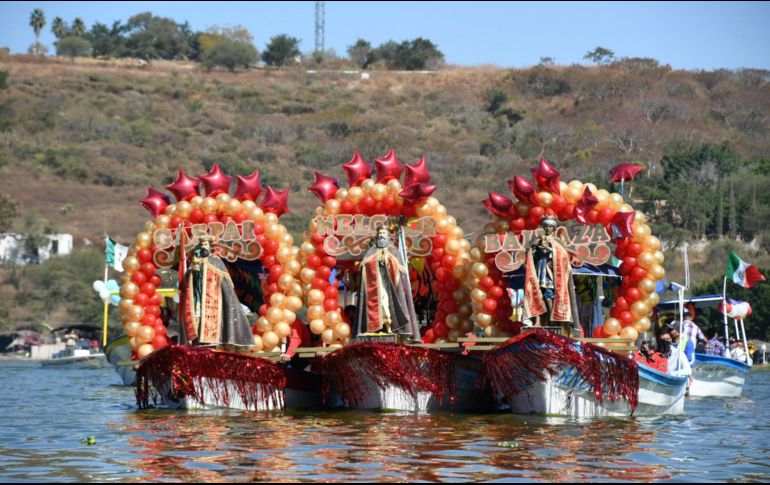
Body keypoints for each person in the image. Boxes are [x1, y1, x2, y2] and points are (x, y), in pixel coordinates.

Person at [178, 235, 253, 350]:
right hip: (198, 296)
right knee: (197, 318)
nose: (203, 246)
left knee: (211, 322)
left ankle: (210, 343)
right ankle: (197, 342)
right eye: (201, 245)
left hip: (212, 299)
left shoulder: (216, 261)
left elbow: (225, 281)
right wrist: (193, 271)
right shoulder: (195, 260)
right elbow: (187, 281)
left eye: (205, 244)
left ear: (210, 247)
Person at [355, 223, 420, 340]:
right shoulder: (371, 250)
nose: (381, 235)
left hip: (389, 284)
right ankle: (376, 327)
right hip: (374, 284)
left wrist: (386, 260)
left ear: (388, 236)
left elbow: (400, 268)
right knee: (377, 304)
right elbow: (364, 264)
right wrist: (375, 261)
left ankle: (390, 327)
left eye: (383, 233)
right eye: (379, 233)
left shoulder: (393, 250)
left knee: (386, 304)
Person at [522, 215, 580, 336]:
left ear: (554, 228)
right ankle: (538, 321)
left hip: (553, 274)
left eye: (550, 226)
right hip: (539, 271)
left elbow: (563, 256)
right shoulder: (537, 239)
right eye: (546, 226)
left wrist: (550, 251)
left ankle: (553, 321)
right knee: (538, 296)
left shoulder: (558, 241)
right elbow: (531, 255)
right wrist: (534, 247)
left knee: (550, 296)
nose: (548, 229)